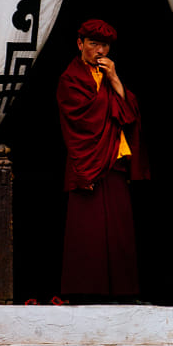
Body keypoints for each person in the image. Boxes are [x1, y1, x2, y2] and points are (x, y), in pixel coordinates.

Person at [57, 19, 150, 302]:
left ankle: (123, 292)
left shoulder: (109, 77)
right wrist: (109, 99)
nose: (100, 50)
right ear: (80, 44)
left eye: (105, 45)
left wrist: (115, 79)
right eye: (93, 44)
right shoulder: (69, 79)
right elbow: (79, 121)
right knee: (87, 230)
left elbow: (130, 114)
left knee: (120, 229)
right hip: (86, 163)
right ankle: (84, 292)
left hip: (114, 163)